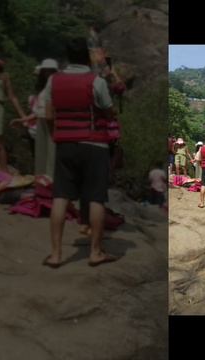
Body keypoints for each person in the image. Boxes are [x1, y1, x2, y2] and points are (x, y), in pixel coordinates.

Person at [43, 37, 118, 268]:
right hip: (94, 144)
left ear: (66, 57)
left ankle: (56, 254)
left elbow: (48, 115)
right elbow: (109, 112)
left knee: (60, 196)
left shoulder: (53, 81)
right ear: (86, 57)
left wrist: (58, 135)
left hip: (65, 143)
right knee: (96, 197)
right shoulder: (96, 81)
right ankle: (95, 252)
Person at [10, 59, 59, 178]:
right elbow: (38, 112)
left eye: (50, 71)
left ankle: (51, 180)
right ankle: (42, 180)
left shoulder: (56, 87)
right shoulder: (42, 90)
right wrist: (23, 120)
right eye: (46, 71)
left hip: (52, 121)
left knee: (52, 154)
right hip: (41, 122)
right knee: (41, 155)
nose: (48, 74)